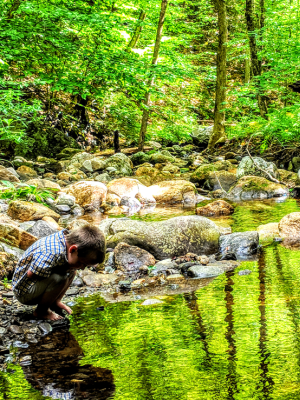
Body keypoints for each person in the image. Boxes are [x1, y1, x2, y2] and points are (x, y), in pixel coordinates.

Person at [12, 226, 106, 321]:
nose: (82, 268)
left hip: (35, 284)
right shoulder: (52, 252)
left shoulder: (68, 245)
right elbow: (31, 274)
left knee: (72, 271)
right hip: (24, 290)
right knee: (59, 279)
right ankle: (41, 311)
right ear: (73, 249)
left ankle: (55, 302)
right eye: (82, 263)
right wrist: (59, 272)